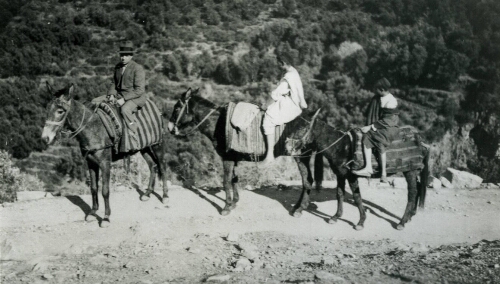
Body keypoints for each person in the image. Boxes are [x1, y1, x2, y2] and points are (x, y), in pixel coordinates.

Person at [261, 55, 307, 165]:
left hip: (292, 106)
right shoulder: (293, 72)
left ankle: (270, 155)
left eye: (278, 63)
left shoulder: (288, 76)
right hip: (294, 103)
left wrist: (265, 105)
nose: (277, 65)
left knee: (268, 119)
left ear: (283, 63)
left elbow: (277, 93)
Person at [93, 40, 146, 133]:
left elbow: (139, 90)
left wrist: (124, 99)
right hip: (119, 95)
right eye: (121, 55)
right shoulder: (118, 67)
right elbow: (114, 82)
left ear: (131, 56)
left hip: (135, 97)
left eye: (126, 55)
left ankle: (134, 131)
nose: (123, 58)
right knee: (94, 101)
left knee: (125, 110)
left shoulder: (137, 68)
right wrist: (112, 94)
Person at [352, 78, 399, 183]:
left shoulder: (391, 101)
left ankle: (376, 170)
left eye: (376, 89)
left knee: (369, 137)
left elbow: (389, 120)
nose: (374, 91)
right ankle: (376, 171)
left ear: (382, 89)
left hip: (389, 127)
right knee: (370, 136)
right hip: (380, 125)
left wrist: (370, 127)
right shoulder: (377, 98)